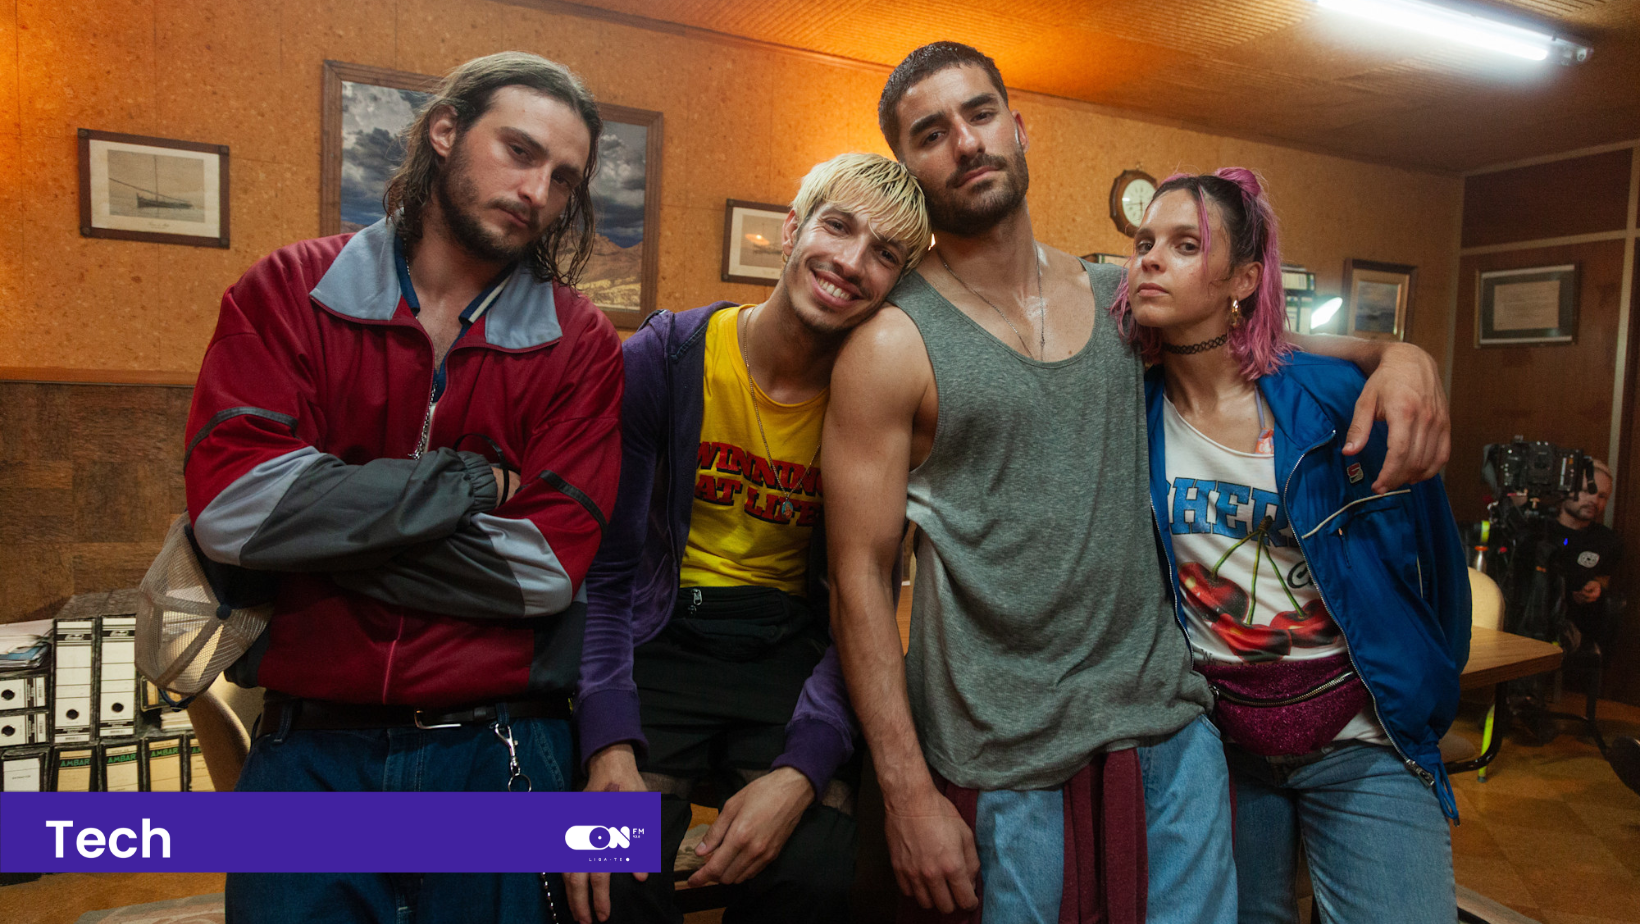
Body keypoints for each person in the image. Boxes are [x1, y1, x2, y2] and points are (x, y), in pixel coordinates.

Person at [824, 41, 1454, 924]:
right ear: (907, 164)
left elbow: (1255, 337)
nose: (964, 143)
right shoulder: (891, 345)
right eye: (931, 134)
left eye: (979, 114)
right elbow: (857, 577)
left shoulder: (1121, 302)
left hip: (1169, 726)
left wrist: (1398, 354)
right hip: (1003, 750)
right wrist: (904, 790)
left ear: (1017, 126)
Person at [183, 52, 622, 924]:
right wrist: (469, 484)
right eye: (519, 151)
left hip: (502, 751)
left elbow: (541, 571)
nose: (537, 190)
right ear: (445, 131)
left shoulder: (582, 345)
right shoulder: (286, 292)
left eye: (563, 178)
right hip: (310, 753)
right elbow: (234, 511)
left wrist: (316, 542)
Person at [565, 153, 931, 924]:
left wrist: (802, 772)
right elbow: (610, 574)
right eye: (838, 227)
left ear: (897, 284)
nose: (850, 262)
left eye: (884, 254)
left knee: (818, 874)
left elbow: (862, 601)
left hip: (788, 648)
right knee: (603, 869)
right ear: (793, 229)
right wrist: (607, 743)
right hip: (661, 635)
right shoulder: (666, 358)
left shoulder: (877, 401)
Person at [1119, 168, 1470, 924]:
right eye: (1144, 242)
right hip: (1220, 744)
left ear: (1244, 279)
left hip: (1361, 737)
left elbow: (1434, 567)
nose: (1150, 259)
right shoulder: (1128, 412)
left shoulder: (1332, 398)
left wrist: (1399, 354)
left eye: (1185, 245)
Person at [1547, 459, 1622, 644]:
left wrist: (1595, 588)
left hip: (1575, 629)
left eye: (1602, 496)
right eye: (1587, 491)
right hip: (1533, 619)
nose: (1594, 500)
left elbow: (1603, 579)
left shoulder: (1608, 540)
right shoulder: (1539, 530)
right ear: (1565, 490)